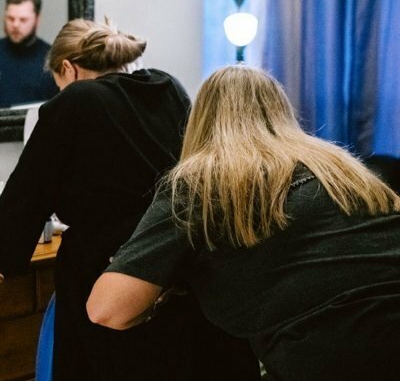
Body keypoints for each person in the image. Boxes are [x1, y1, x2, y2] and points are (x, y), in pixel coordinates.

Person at [87, 65, 400, 381]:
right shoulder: (341, 167)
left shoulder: (202, 181)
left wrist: (157, 296)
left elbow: (107, 309)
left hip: (327, 359)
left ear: (201, 119)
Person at [0, 23, 261, 381]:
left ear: (68, 68)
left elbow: (24, 200)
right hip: (177, 262)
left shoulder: (75, 101)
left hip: (108, 276)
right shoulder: (167, 87)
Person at [0, 0, 58, 107]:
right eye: (11, 19)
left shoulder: (52, 58)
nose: (15, 25)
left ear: (37, 20)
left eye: (23, 20)